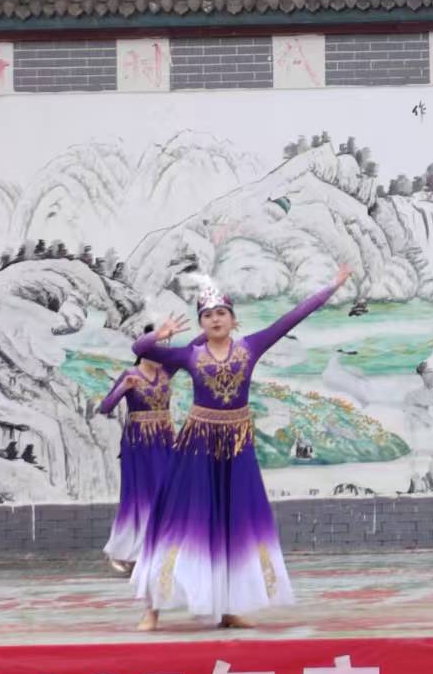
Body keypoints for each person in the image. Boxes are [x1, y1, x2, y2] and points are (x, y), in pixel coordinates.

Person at [128, 267, 351, 631]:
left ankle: (228, 608)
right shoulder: (189, 355)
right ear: (201, 323)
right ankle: (152, 609)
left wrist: (332, 286)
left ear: (233, 320)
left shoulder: (251, 347)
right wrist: (158, 337)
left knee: (235, 522)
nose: (215, 319)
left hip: (237, 449)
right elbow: (139, 350)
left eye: (221, 313)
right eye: (207, 315)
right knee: (178, 519)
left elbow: (294, 316)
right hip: (197, 447)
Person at [94, 325, 183, 575]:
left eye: (165, 348)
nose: (163, 353)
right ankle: (125, 551)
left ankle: (161, 551)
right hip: (139, 444)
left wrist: (211, 330)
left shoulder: (167, 371)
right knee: (139, 498)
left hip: (165, 439)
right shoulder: (130, 374)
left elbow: (191, 348)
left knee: (169, 494)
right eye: (158, 347)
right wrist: (124, 387)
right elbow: (105, 407)